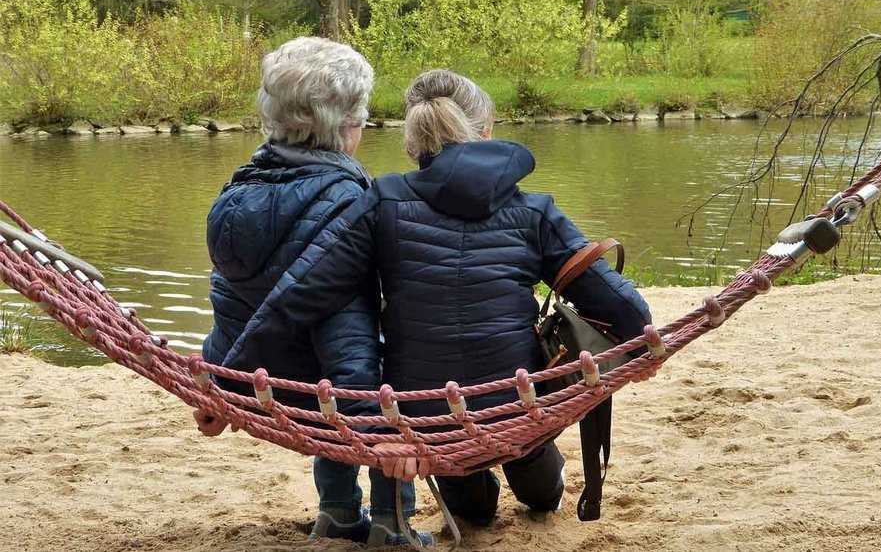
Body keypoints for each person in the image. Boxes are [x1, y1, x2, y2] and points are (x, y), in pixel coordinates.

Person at [224, 69, 652, 525]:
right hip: (519, 402)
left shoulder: (381, 201)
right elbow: (622, 306)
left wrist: (226, 382)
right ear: (486, 133)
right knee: (536, 475)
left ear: (413, 146)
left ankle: (485, 484)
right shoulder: (534, 211)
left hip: (427, 419)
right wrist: (643, 346)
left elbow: (302, 294)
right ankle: (537, 478)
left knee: (474, 511)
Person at [195, 37, 430, 547]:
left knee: (330, 376)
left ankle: (338, 512)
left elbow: (232, 301)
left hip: (258, 379)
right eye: (361, 117)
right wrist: (377, 434)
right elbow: (351, 334)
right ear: (346, 127)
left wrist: (218, 382)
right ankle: (393, 523)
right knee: (395, 362)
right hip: (326, 388)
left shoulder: (236, 192)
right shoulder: (351, 201)